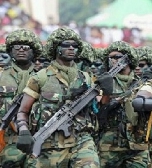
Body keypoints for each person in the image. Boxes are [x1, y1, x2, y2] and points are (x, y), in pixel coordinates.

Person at [15, 27, 112, 167]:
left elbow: (100, 107)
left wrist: (107, 91)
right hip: (50, 143)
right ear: (56, 48)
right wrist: (24, 131)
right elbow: (23, 111)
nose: (71, 48)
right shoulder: (40, 77)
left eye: (75, 46)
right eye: (66, 45)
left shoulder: (86, 77)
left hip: (82, 140)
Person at [98, 41, 150, 167]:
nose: (114, 60)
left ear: (128, 59)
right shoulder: (104, 82)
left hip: (137, 145)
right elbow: (98, 108)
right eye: (111, 58)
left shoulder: (143, 84)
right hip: (109, 145)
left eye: (117, 57)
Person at [0, 28, 43, 167]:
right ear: (11, 51)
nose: (21, 50)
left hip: (39, 139)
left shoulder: (44, 77)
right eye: (16, 47)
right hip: (7, 141)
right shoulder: (1, 76)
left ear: (34, 51)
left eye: (26, 47)